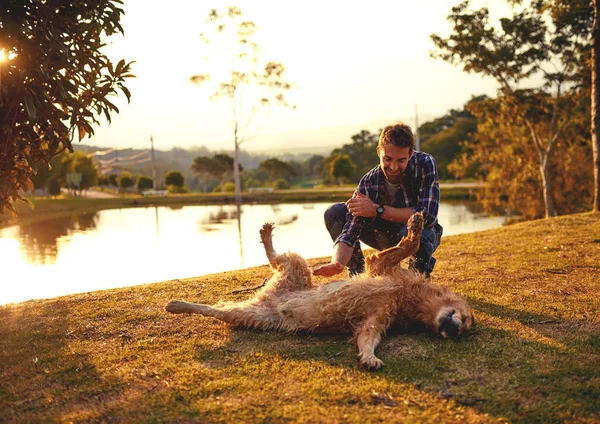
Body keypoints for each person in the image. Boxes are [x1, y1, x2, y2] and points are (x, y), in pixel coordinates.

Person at [313, 122, 443, 278]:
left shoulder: (425, 164)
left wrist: (377, 210)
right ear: (378, 152)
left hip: (420, 234)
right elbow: (350, 232)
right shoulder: (369, 182)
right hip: (385, 235)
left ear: (411, 154)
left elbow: (427, 215)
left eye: (401, 160)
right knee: (335, 212)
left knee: (416, 233)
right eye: (387, 159)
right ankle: (358, 273)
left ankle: (419, 271)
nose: (394, 167)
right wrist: (337, 263)